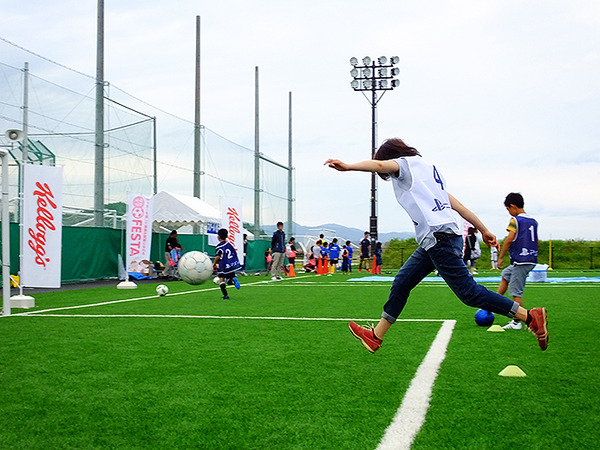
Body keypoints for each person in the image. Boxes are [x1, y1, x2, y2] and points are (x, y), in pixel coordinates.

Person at [325, 138, 548, 352]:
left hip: (439, 238)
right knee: (402, 282)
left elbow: (382, 164)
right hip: (436, 239)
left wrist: (348, 166)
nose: (386, 173)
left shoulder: (403, 165)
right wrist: (484, 229)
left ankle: (529, 317)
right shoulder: (427, 171)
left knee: (469, 293)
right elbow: (458, 206)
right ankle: (376, 336)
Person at [497, 192, 539, 330]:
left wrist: (501, 257)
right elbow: (537, 242)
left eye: (508, 209)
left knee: (516, 291)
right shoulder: (533, 221)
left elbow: (509, 239)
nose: (509, 213)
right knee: (506, 274)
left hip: (521, 260)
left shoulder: (515, 220)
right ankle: (493, 303)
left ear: (513, 206)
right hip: (530, 259)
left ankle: (517, 322)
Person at [213, 228, 241, 300]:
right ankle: (233, 281)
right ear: (227, 236)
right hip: (230, 265)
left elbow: (218, 256)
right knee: (228, 280)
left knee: (222, 280)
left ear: (218, 237)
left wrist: (214, 263)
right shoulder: (229, 245)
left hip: (222, 265)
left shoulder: (219, 246)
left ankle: (226, 296)